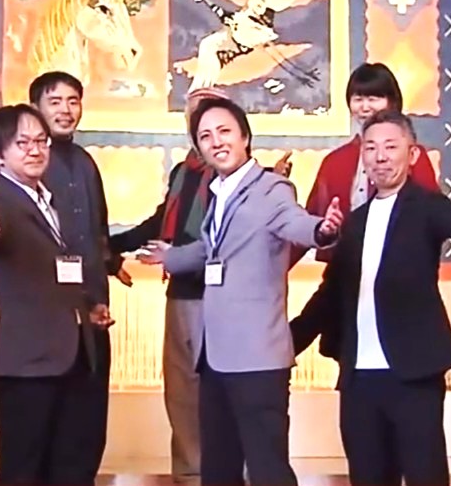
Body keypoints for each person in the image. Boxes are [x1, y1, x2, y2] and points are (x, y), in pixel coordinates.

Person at [139, 97, 343, 486]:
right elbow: (211, 249)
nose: (216, 141)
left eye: (224, 131)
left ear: (245, 137)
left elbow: (294, 222)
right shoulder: (218, 191)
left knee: (267, 469)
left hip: (257, 358)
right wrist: (171, 257)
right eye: (205, 136)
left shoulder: (271, 189)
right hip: (215, 356)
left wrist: (322, 230)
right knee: (218, 468)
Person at [289, 110, 451, 486]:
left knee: (424, 474)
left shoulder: (426, 206)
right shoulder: (354, 222)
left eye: (390, 147)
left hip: (413, 372)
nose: (380, 157)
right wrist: (284, 344)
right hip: (359, 377)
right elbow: (330, 294)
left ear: (412, 154)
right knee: (367, 475)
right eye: (371, 148)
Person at [0, 104, 115, 486]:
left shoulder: (51, 202)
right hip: (28, 365)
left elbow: (55, 274)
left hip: (75, 356)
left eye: (40, 141)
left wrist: (86, 308)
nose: (35, 150)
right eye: (22, 143)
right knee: (23, 471)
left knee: (71, 469)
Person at [108, 87, 230, 483]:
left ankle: (227, 473)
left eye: (210, 115)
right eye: (194, 116)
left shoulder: (240, 175)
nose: (201, 124)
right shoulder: (183, 172)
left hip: (221, 298)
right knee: (181, 394)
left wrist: (176, 255)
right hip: (179, 294)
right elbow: (162, 222)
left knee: (221, 394)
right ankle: (189, 474)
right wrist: (108, 245)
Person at [30, 71, 122, 483]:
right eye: (55, 101)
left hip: (94, 314)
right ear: (35, 108)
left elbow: (96, 233)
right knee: (46, 430)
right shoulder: (29, 164)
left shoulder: (85, 162)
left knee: (86, 428)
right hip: (50, 321)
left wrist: (111, 265)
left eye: (73, 101)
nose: (66, 110)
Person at [301, 64, 441, 262]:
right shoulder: (334, 162)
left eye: (373, 99)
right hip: (345, 266)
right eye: (358, 99)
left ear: (392, 102)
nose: (365, 107)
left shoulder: (412, 156)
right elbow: (311, 222)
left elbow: (434, 213)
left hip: (400, 264)